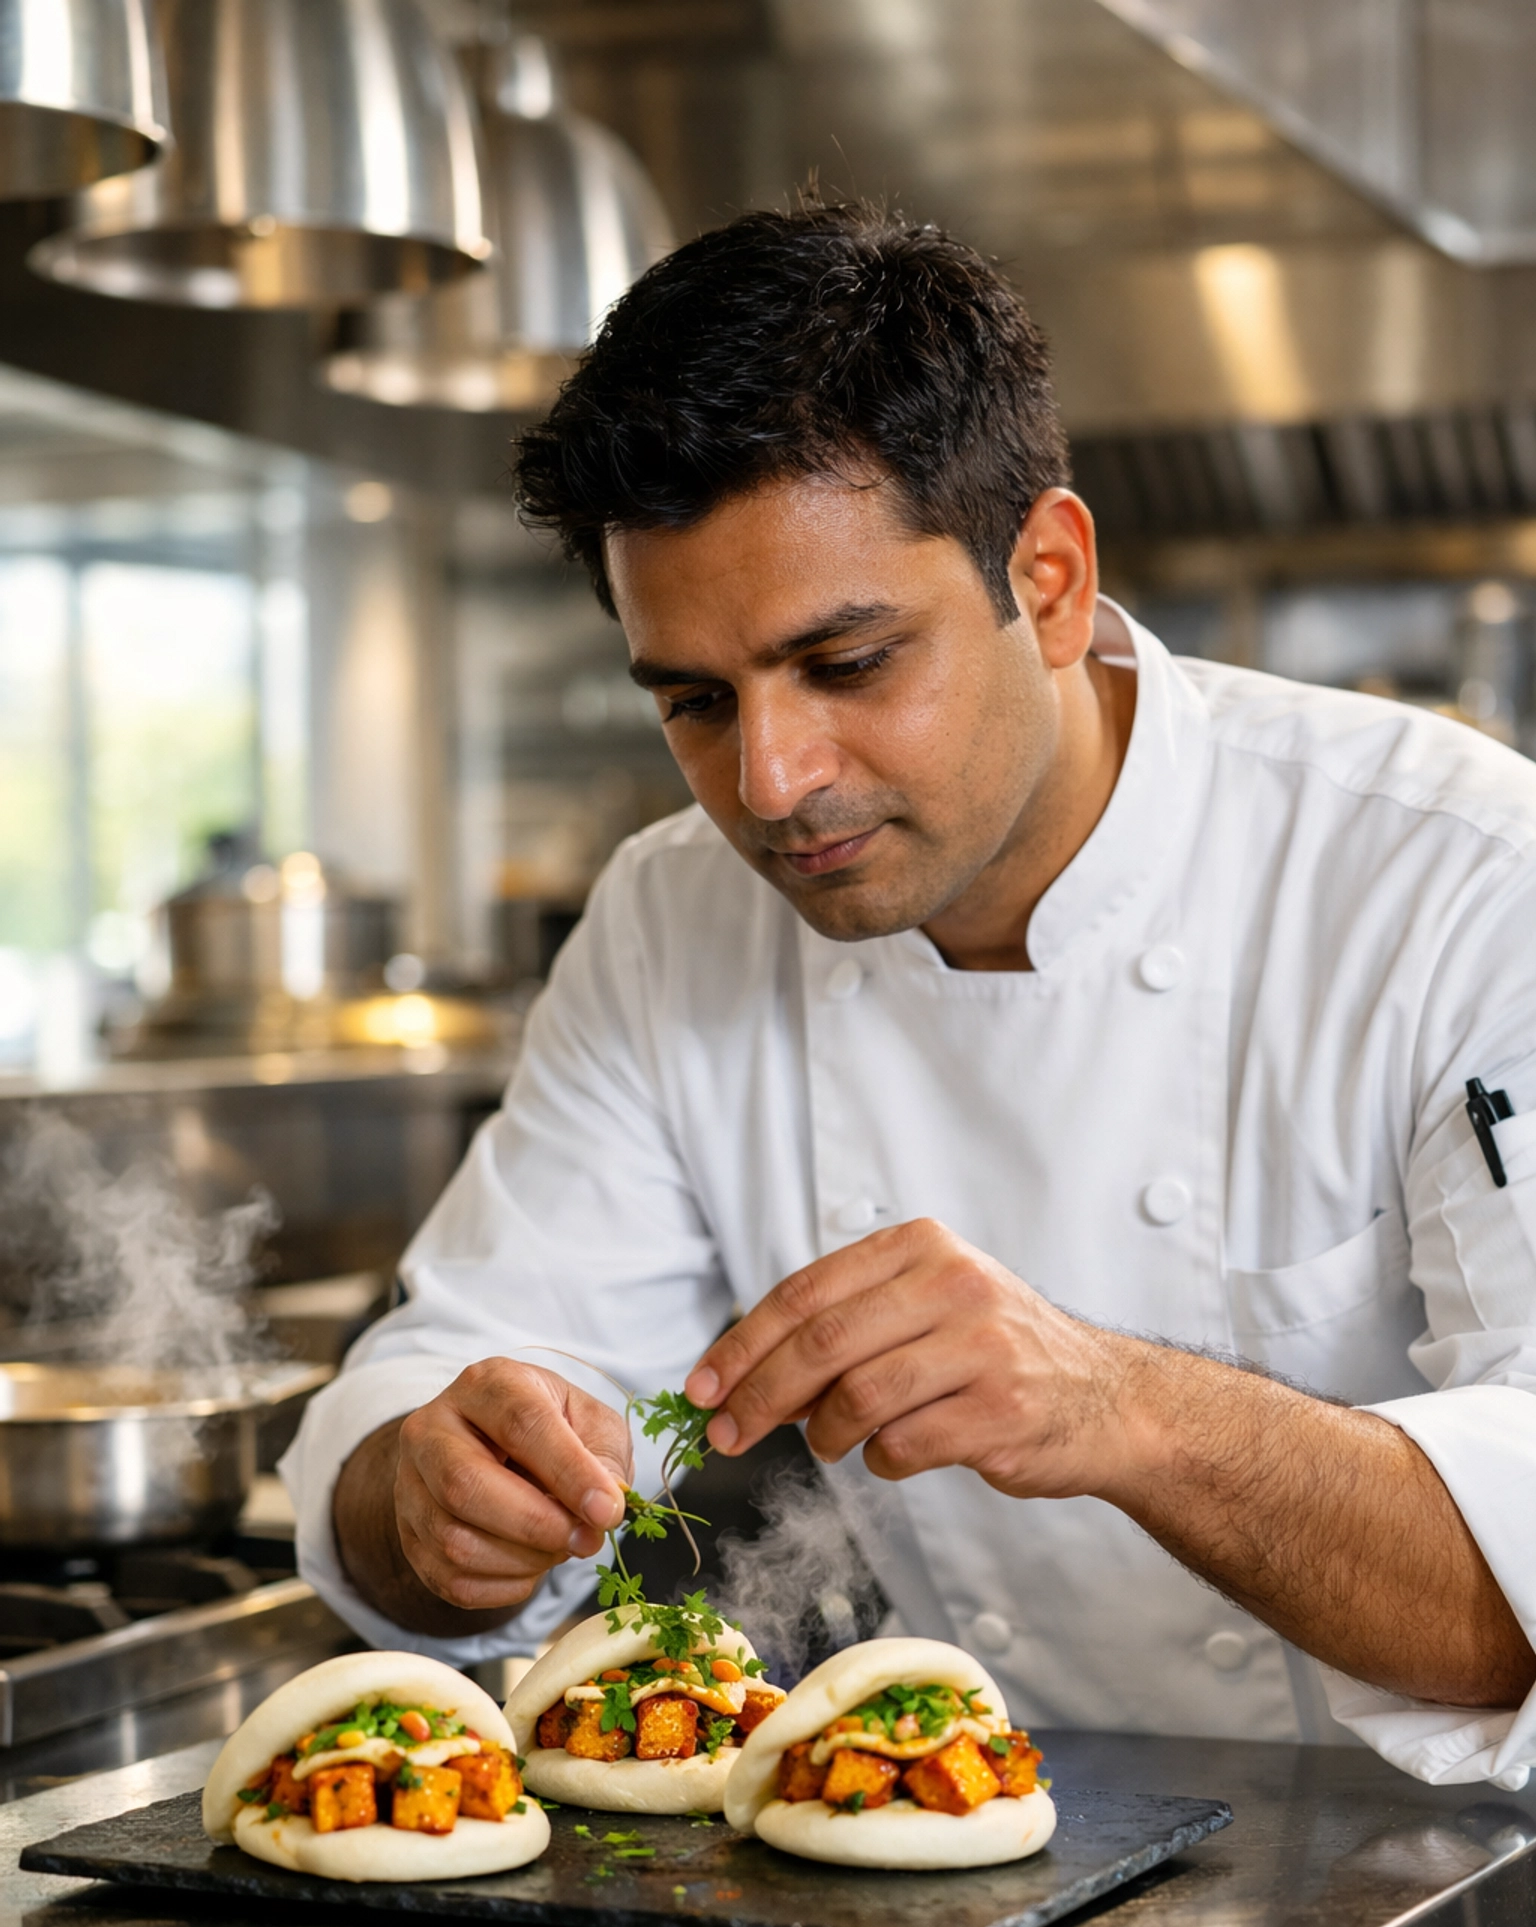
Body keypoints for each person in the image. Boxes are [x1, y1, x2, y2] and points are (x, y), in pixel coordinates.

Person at [285, 199, 1536, 1787]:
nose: (773, 780)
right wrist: (427, 1493)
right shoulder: (676, 922)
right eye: (693, 698)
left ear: (1055, 582)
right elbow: (447, 1379)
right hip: (989, 1875)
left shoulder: (1457, 880)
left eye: (852, 663)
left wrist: (1126, 1407)